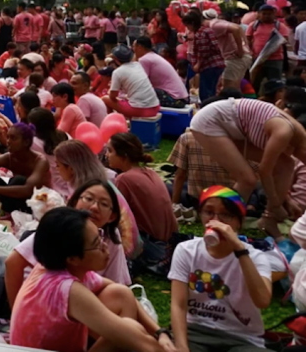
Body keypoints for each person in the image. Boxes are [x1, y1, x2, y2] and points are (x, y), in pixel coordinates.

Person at [10, 207, 171, 352]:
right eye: (96, 243)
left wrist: (160, 333)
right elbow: (142, 343)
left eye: (100, 235)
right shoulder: (66, 289)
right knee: (131, 329)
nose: (105, 246)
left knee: (120, 294)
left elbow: (121, 292)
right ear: (72, 258)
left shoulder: (60, 266)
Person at [169, 187, 272, 352]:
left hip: (241, 339)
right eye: (209, 212)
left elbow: (262, 300)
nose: (216, 221)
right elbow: (178, 305)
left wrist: (239, 249)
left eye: (226, 215)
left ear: (239, 221)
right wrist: (181, 346)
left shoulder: (255, 257)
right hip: (195, 332)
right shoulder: (186, 251)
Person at [190, 97, 306, 235]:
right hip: (212, 121)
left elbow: (279, 174)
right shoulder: (284, 133)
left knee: (286, 164)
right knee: (247, 179)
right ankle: (220, 226)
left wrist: (285, 200)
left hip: (236, 127)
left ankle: (268, 220)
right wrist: (276, 205)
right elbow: (264, 171)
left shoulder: (297, 138)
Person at [6, 179, 132, 306]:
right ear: (75, 202)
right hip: (43, 301)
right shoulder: (60, 228)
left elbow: (116, 283)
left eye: (104, 204)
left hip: (80, 302)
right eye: (88, 199)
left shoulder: (111, 236)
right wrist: (16, 308)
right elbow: (13, 262)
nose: (94, 207)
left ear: (112, 216)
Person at [107, 132, 177, 267]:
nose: (106, 155)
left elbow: (115, 216)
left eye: (110, 151)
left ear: (124, 155)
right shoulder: (150, 172)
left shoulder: (124, 179)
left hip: (153, 246)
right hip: (171, 241)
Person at [102, 45, 160, 118]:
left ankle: (111, 122)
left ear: (115, 59)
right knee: (126, 100)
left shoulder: (118, 72)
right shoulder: (137, 65)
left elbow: (112, 97)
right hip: (155, 107)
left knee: (105, 99)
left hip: (140, 110)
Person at [184, 10, 226, 103]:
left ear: (192, 23)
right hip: (217, 64)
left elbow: (204, 51)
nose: (188, 28)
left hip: (209, 65)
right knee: (213, 90)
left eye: (187, 25)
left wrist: (198, 64)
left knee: (206, 93)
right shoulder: (207, 30)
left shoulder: (201, 33)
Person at [133, 37, 189, 107]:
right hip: (181, 97)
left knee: (141, 92)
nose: (133, 50)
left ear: (139, 47)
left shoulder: (144, 59)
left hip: (174, 99)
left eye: (134, 47)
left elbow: (141, 82)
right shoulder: (152, 56)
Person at [247, 4, 290, 85]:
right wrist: (250, 52)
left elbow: (284, 40)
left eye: (269, 14)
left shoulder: (280, 26)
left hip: (275, 59)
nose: (266, 16)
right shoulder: (253, 25)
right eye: (264, 14)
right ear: (259, 14)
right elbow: (247, 40)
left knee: (275, 83)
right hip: (257, 59)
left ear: (274, 14)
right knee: (254, 82)